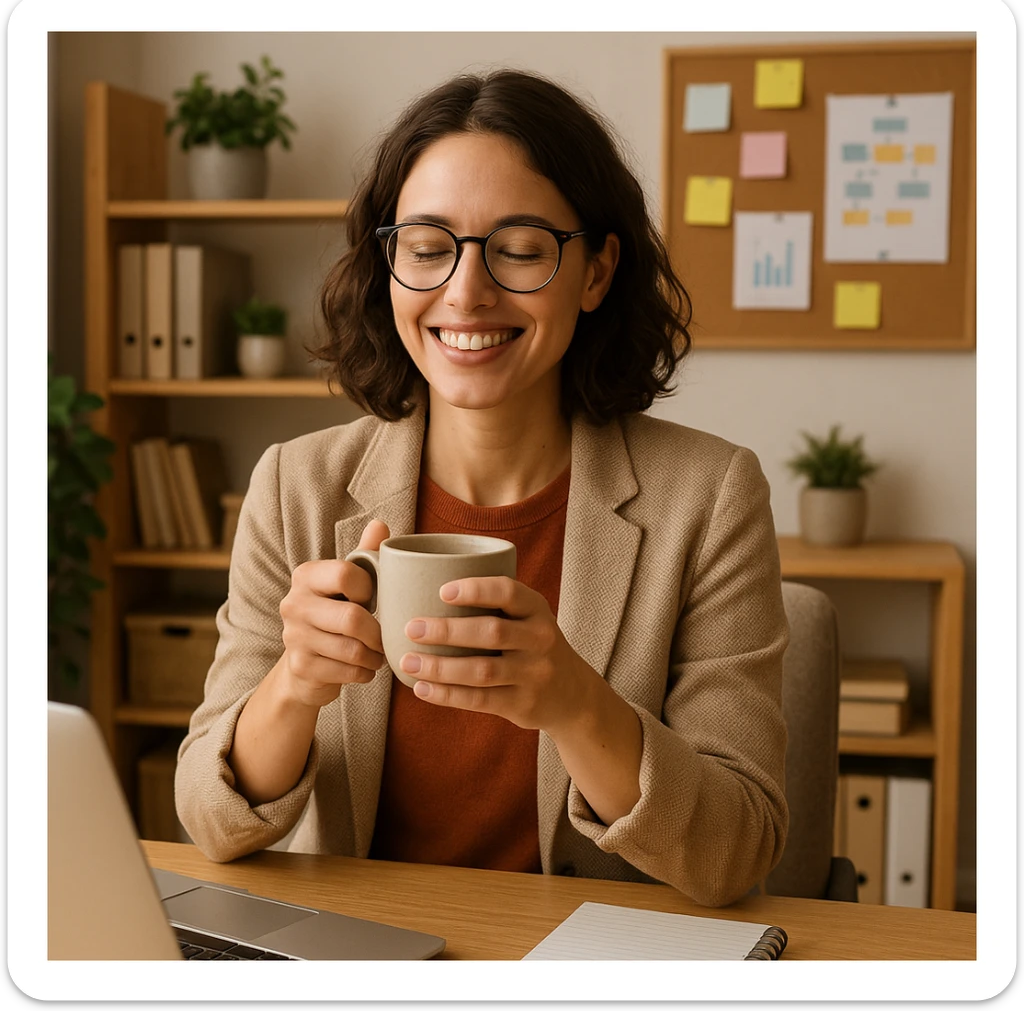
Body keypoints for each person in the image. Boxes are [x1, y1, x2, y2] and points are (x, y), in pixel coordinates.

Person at [176, 68, 789, 908]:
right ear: (390, 266)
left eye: (521, 249)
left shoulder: (710, 497)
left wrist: (575, 702)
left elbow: (738, 852)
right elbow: (208, 823)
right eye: (427, 249)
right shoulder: (297, 486)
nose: (465, 292)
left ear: (597, 272)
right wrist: (293, 684)